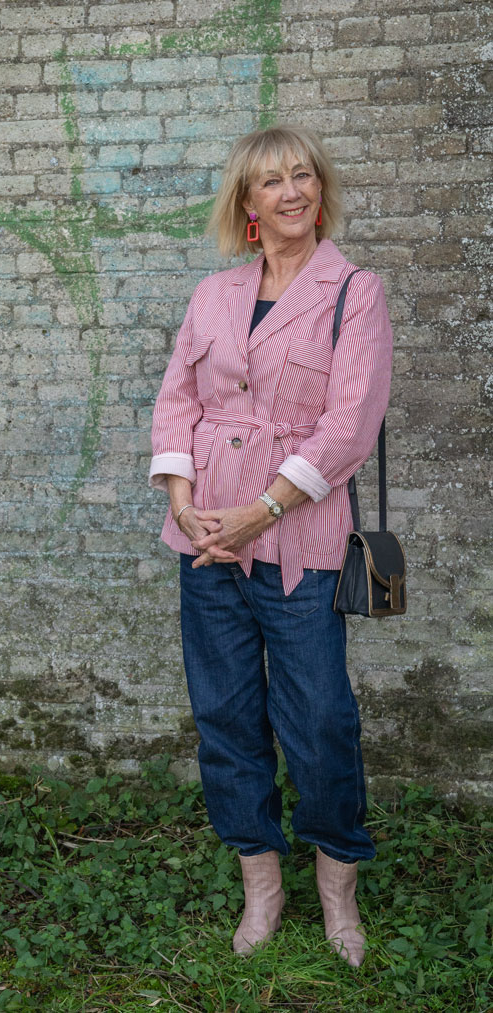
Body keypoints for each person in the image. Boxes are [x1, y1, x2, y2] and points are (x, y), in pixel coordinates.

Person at [148, 125, 393, 967]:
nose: (289, 191)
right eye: (269, 182)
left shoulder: (352, 291)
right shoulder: (213, 294)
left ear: (318, 189)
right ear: (247, 206)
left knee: (320, 716)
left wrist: (261, 508)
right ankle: (261, 880)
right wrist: (183, 500)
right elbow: (176, 397)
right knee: (223, 713)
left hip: (299, 530)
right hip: (206, 536)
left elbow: (348, 425)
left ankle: (336, 885)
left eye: (301, 176)